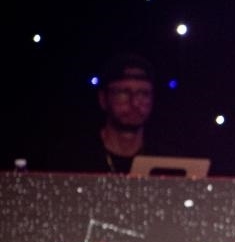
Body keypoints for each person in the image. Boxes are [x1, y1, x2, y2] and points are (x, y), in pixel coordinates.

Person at [44, 52, 178, 174]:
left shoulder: (167, 161)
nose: (135, 103)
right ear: (103, 99)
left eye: (143, 94)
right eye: (123, 93)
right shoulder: (74, 157)